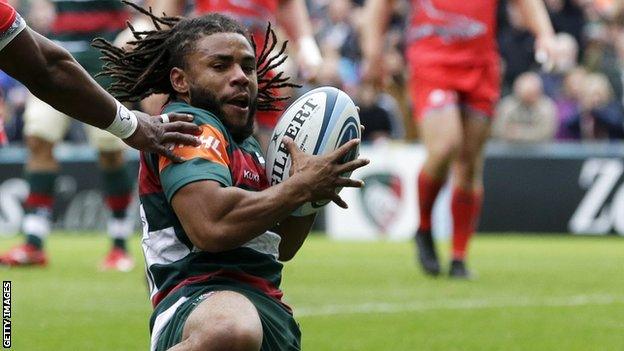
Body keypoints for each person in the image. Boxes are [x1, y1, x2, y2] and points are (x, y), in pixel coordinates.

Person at [95, 8, 368, 350]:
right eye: (220, 66)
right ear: (181, 81)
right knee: (230, 329)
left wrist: (311, 195)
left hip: (266, 307)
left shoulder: (248, 145)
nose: (241, 76)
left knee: (238, 328)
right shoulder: (186, 126)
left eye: (248, 66)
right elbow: (211, 225)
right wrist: (300, 186)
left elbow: (281, 246)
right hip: (198, 298)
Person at [362, 0, 556, 278]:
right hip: (432, 59)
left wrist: (545, 34)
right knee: (445, 146)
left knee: (470, 163)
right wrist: (372, 51)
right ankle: (425, 228)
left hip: (481, 64)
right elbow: (379, 6)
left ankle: (458, 257)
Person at [0, 0, 196, 269]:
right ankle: (34, 240)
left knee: (110, 149)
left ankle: (118, 241)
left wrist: (139, 30)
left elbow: (153, 8)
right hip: (53, 47)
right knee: (38, 137)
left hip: (103, 52)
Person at [0, 0, 200, 157]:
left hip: (102, 59)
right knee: (38, 132)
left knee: (109, 146)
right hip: (54, 52)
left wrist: (146, 54)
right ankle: (38, 210)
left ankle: (118, 210)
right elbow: (47, 69)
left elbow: (150, 18)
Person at [137, 0, 322, 152]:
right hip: (210, 65)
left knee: (266, 153)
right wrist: (155, 65)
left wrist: (306, 42)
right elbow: (164, 13)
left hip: (257, 66)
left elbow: (288, 4)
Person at [493, 71, 557, 142]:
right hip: (508, 149)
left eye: (531, 94)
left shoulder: (547, 106)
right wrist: (530, 131)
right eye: (525, 95)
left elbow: (546, 133)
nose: (528, 99)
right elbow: (498, 129)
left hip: (540, 150)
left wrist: (519, 133)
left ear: (539, 92)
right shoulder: (507, 105)